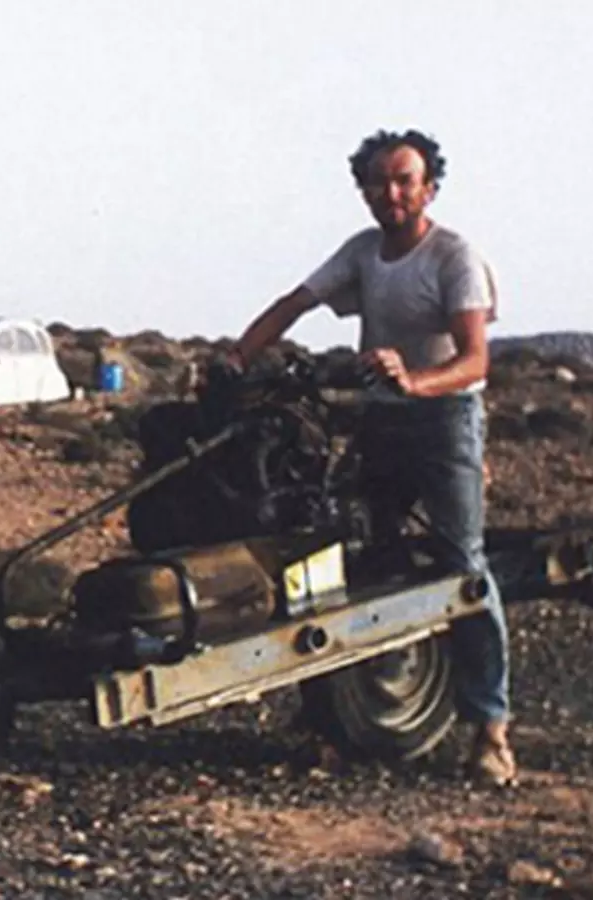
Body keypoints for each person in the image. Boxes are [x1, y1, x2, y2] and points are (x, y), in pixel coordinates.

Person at [225, 129, 515, 787]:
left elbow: (475, 360)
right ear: (364, 191)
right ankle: (338, 719)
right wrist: (238, 357)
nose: (392, 192)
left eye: (404, 180)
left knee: (462, 565)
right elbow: (295, 304)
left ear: (428, 188)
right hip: (382, 420)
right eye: (379, 181)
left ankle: (491, 728)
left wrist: (414, 379)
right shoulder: (362, 252)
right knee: (350, 556)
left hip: (443, 421)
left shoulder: (454, 257)